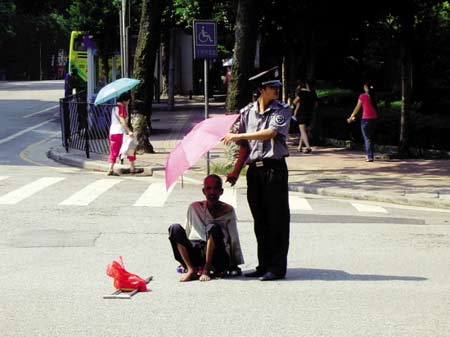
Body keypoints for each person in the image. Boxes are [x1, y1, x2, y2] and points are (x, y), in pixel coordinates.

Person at [223, 66, 291, 281]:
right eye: (273, 87)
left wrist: (238, 135)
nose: (277, 90)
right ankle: (264, 264)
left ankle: (277, 267)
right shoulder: (247, 112)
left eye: (277, 86)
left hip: (274, 169)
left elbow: (270, 133)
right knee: (260, 220)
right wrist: (235, 171)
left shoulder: (282, 109)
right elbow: (245, 146)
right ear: (261, 90)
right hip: (255, 171)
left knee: (277, 220)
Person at [168, 174, 244, 282]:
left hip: (217, 256)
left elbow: (233, 239)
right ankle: (191, 269)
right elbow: (186, 234)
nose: (212, 192)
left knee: (213, 228)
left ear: (221, 192)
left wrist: (234, 264)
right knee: (174, 228)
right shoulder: (194, 207)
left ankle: (206, 269)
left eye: (216, 189)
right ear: (204, 191)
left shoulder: (228, 210)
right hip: (198, 251)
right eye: (208, 189)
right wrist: (183, 262)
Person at [107, 92, 143, 176]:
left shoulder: (114, 107)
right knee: (131, 148)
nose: (129, 102)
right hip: (120, 132)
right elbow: (122, 120)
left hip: (112, 132)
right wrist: (129, 131)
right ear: (125, 100)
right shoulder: (121, 107)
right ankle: (132, 168)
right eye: (129, 100)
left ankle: (110, 169)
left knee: (114, 151)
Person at [347, 82, 378, 162]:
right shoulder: (374, 96)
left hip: (366, 120)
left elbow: (357, 108)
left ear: (366, 88)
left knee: (367, 138)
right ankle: (370, 154)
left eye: (364, 87)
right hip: (374, 119)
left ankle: (370, 156)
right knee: (370, 138)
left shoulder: (362, 96)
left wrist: (351, 117)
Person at [292, 80, 317, 153]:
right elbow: (315, 105)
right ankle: (299, 147)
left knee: (302, 131)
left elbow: (294, 102)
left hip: (301, 113)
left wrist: (295, 107)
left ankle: (308, 147)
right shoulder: (313, 94)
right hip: (309, 113)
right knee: (304, 131)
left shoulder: (301, 93)